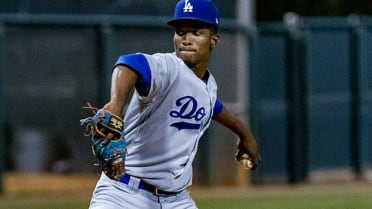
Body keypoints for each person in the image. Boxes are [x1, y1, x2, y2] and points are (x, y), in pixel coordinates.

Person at [88, 0, 261, 208]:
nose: (186, 39)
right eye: (180, 32)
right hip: (124, 195)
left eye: (196, 32)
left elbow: (213, 106)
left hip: (176, 200)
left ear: (214, 40)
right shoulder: (168, 68)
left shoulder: (208, 84)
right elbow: (130, 63)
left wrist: (244, 133)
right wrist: (116, 103)